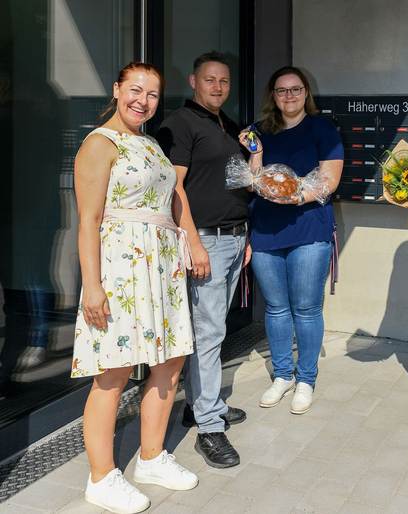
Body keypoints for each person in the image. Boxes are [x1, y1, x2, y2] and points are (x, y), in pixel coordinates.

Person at [72, 62, 198, 514]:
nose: (142, 100)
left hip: (160, 267)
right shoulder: (98, 144)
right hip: (121, 268)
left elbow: (173, 199)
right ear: (116, 89)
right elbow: (87, 220)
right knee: (114, 371)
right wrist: (92, 286)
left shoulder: (147, 142)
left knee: (170, 358)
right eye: (135, 90)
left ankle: (150, 457)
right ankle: (102, 477)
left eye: (152, 94)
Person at [156, 51, 250, 469]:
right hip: (206, 243)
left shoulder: (226, 125)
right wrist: (193, 243)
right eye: (210, 80)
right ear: (194, 81)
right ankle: (210, 428)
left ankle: (200, 405)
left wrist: (243, 232)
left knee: (212, 329)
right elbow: (174, 189)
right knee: (209, 333)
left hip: (233, 238)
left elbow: (238, 181)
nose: (218, 87)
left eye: (224, 81)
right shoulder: (179, 123)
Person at [238, 66, 343, 415]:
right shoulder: (259, 132)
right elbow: (251, 179)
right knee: (277, 308)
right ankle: (282, 375)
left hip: (308, 229)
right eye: (282, 91)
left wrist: (294, 197)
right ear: (273, 95)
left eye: (295, 89)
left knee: (307, 308)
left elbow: (329, 179)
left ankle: (306, 379)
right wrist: (254, 154)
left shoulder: (322, 129)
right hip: (267, 230)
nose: (289, 96)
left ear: (306, 93)